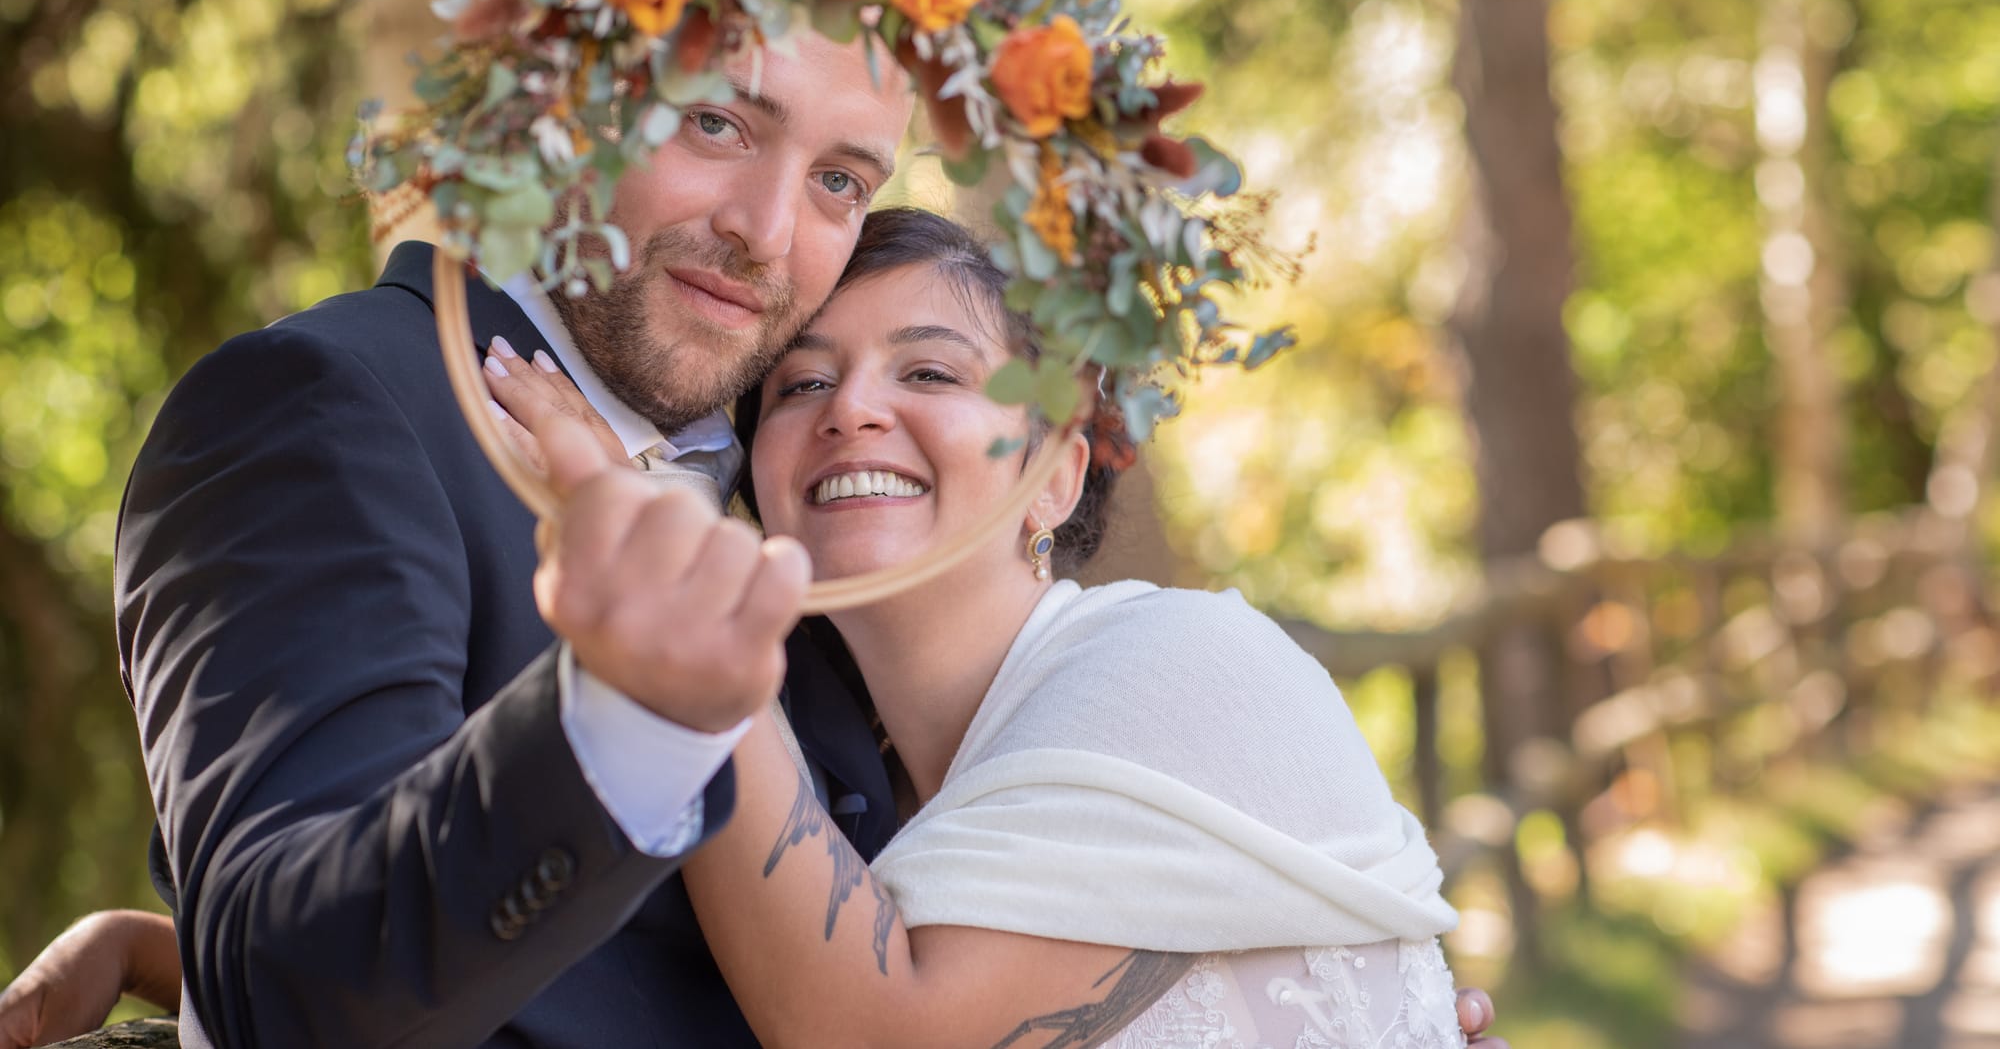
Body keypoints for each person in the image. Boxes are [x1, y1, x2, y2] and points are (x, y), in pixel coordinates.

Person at [1, 205, 1513, 1049]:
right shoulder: (882, 765)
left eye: (931, 372)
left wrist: (653, 571)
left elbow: (859, 1033)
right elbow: (645, 992)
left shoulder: (1183, 665)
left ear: (1061, 466)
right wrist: (187, 965)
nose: (853, 408)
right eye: (802, 384)